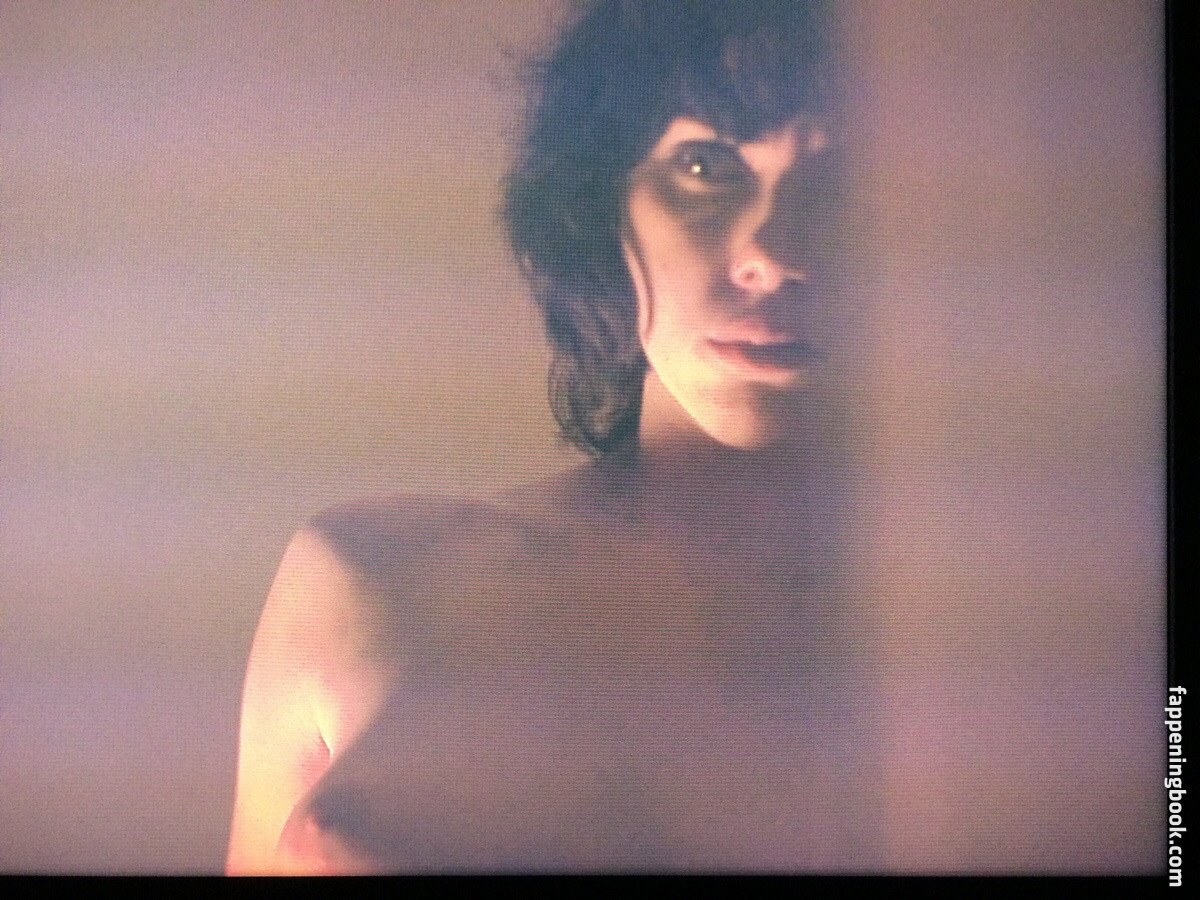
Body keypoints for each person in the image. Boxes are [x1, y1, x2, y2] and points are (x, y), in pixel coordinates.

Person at [225, 0, 869, 873]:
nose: (773, 251)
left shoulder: (1003, 639)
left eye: (845, 178)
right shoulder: (372, 573)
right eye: (706, 165)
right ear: (602, 200)